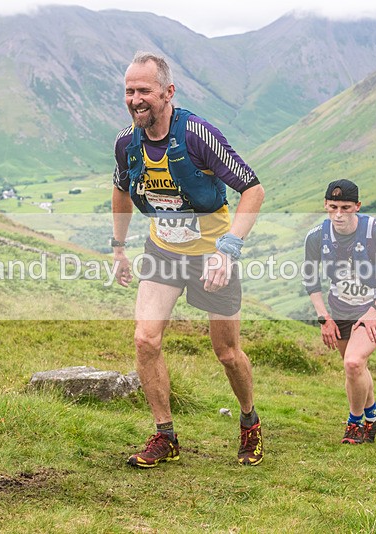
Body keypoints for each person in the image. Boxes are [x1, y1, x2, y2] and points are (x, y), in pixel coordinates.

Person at [111, 51, 265, 468]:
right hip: (163, 252)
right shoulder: (127, 143)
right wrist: (119, 247)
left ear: (168, 92)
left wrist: (229, 249)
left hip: (212, 256)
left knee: (227, 352)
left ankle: (250, 423)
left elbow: (253, 190)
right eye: (129, 91)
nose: (135, 99)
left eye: (144, 90)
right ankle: (165, 436)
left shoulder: (198, 135)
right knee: (145, 339)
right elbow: (122, 191)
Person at [302, 179, 376, 444]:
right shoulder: (316, 236)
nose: (339, 214)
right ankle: (374, 416)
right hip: (339, 307)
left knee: (353, 362)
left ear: (357, 207)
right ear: (326, 205)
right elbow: (310, 279)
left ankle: (355, 423)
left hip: (373, 306)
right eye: (333, 206)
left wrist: (375, 310)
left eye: (346, 207)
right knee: (355, 368)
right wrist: (323, 316)